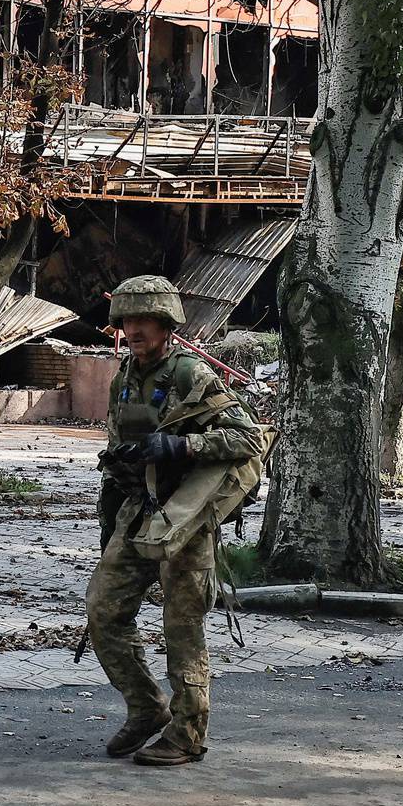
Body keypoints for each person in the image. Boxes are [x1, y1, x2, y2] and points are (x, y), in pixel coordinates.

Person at [86, 275, 262, 767]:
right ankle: (146, 707)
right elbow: (123, 446)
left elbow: (249, 438)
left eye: (144, 320)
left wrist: (183, 445)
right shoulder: (125, 377)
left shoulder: (191, 375)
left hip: (185, 518)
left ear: (166, 325)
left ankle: (188, 733)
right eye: (127, 320)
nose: (134, 329)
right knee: (103, 611)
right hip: (137, 512)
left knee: (182, 625)